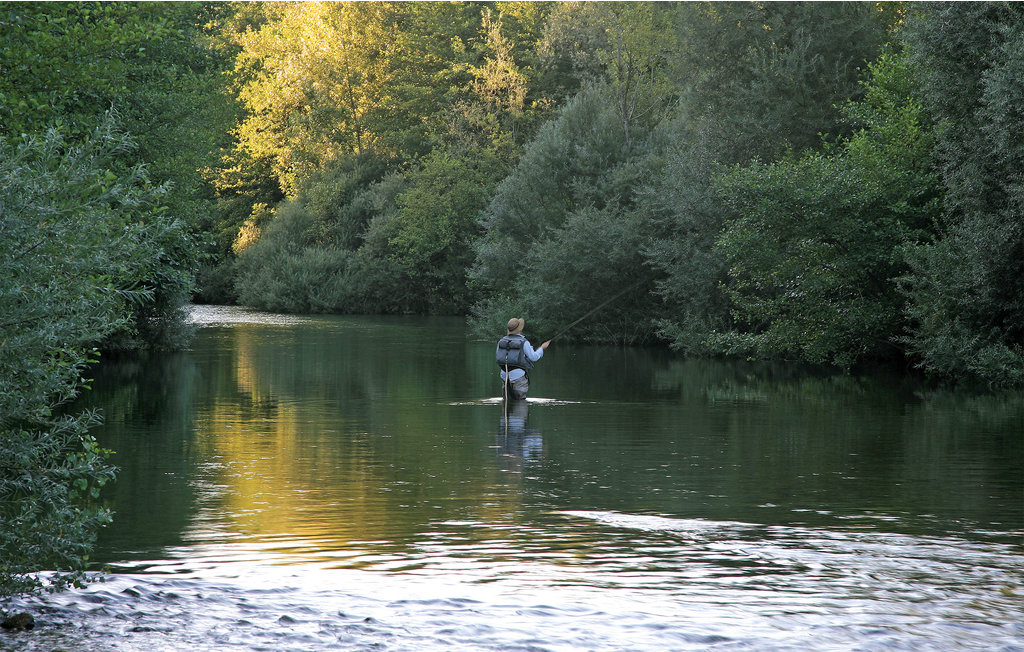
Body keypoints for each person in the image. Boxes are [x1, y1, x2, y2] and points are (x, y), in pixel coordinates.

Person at [496, 317, 550, 400]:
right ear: (519, 330)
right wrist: (542, 348)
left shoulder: (501, 341)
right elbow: (534, 357)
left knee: (507, 402)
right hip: (518, 376)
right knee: (520, 404)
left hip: (504, 375)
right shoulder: (524, 342)